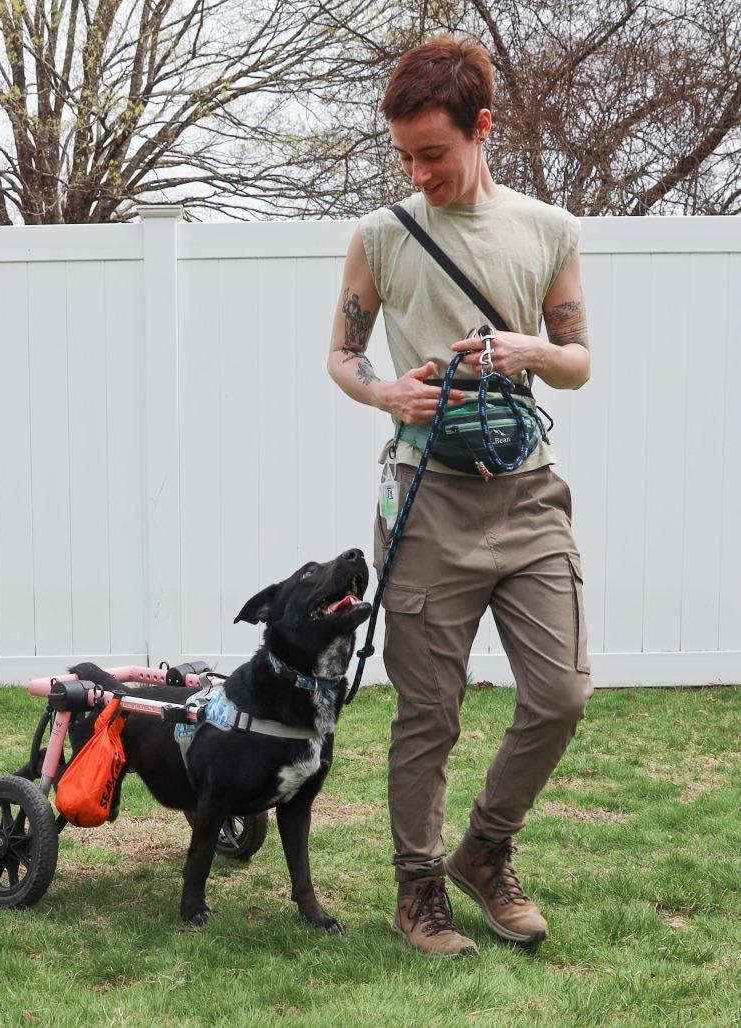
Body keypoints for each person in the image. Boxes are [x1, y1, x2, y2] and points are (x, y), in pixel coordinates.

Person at [327, 34, 593, 958]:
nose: (419, 172)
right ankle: (418, 894)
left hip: (527, 501)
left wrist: (530, 352)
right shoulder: (382, 237)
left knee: (559, 694)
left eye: (433, 153)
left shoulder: (548, 230)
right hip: (426, 500)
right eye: (404, 155)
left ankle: (485, 849)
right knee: (428, 711)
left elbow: (580, 363)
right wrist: (384, 390)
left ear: (483, 128)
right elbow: (343, 352)